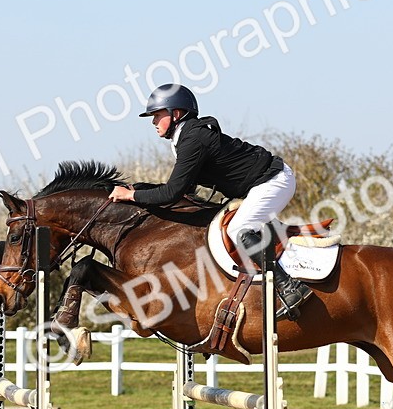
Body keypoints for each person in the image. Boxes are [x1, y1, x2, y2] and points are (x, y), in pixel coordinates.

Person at [109, 83, 312, 319]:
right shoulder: (185, 137)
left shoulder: (193, 139)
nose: (153, 122)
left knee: (239, 230)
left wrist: (130, 195)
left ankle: (289, 287)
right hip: (257, 186)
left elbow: (171, 193)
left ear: (176, 114)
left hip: (273, 181)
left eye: (157, 115)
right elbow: (183, 189)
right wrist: (138, 189)